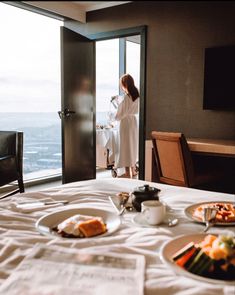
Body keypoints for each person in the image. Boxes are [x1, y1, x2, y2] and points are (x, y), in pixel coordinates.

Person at [114, 74, 139, 178]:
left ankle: (128, 173)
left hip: (125, 123)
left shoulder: (125, 98)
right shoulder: (137, 95)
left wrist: (116, 104)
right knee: (132, 145)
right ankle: (133, 170)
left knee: (125, 146)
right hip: (133, 121)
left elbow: (118, 115)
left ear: (124, 85)